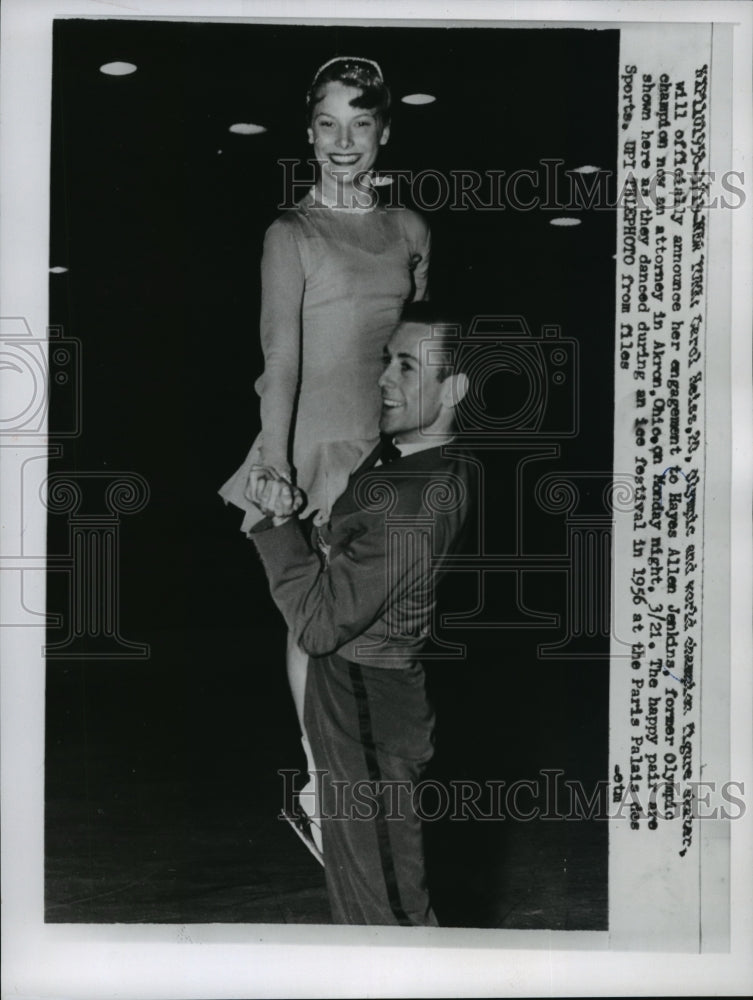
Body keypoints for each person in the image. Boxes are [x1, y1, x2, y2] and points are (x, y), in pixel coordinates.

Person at [219, 56, 431, 854]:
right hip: (314, 441)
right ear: (308, 134)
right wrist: (274, 462)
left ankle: (362, 774)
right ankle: (319, 783)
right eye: (328, 124)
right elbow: (280, 357)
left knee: (384, 620)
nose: (344, 141)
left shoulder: (409, 229)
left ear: (384, 133)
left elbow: (416, 349)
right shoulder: (292, 234)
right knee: (319, 615)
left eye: (360, 123)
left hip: (387, 446)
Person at [248, 303, 474, 925]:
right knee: (363, 907)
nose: (384, 379)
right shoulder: (407, 457)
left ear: (453, 390)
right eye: (386, 361)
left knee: (390, 914)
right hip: (353, 698)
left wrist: (279, 527)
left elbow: (319, 626)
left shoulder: (415, 499)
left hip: (365, 702)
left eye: (407, 367)